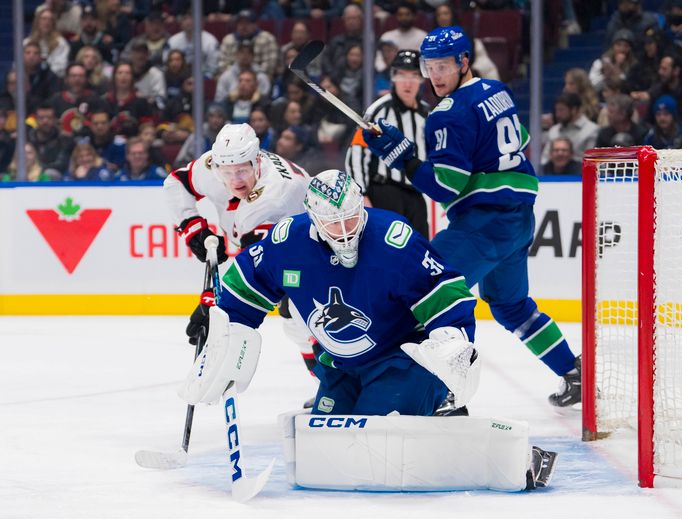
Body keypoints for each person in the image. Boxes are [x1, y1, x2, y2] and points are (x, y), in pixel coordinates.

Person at [177, 168, 558, 491]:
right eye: (333, 222)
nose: (345, 230)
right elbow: (243, 286)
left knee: (371, 443)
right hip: (339, 366)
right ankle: (433, 416)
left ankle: (467, 428)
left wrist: (452, 340)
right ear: (312, 218)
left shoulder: (393, 238)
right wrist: (225, 333)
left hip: (403, 361)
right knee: (326, 447)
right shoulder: (286, 241)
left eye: (351, 217)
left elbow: (447, 291)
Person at [362, 27, 581, 408]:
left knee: (429, 291)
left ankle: (447, 392)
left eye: (444, 65)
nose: (435, 76)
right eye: (429, 67)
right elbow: (521, 141)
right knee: (511, 305)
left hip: (482, 225)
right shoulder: (497, 91)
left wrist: (403, 157)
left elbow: (445, 186)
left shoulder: (448, 113)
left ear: (464, 62)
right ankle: (572, 372)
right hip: (518, 219)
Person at [163, 122, 321, 398]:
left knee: (306, 317)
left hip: (310, 247)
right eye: (228, 172)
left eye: (242, 171)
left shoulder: (276, 195)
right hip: (261, 242)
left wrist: (218, 305)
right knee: (294, 322)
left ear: (257, 161)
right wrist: (192, 226)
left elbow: (256, 271)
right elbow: (176, 183)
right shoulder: (213, 166)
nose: (236, 180)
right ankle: (327, 382)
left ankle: (336, 382)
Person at [346, 50, 431, 237]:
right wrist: (361, 194)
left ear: (421, 79)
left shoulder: (426, 114)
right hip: (384, 191)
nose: (407, 83)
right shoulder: (379, 110)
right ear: (393, 77)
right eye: (402, 75)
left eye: (414, 76)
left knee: (421, 248)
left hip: (415, 194)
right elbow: (357, 153)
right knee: (386, 249)